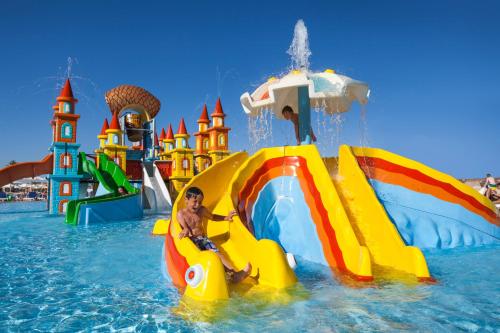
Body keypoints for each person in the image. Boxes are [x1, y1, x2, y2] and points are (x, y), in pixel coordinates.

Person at [177, 186, 252, 283]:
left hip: (203, 239)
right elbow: (184, 227)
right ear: (186, 200)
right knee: (207, 259)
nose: (197, 205)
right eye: (194, 202)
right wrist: (185, 230)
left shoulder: (202, 210)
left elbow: (212, 217)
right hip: (192, 242)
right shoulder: (181, 214)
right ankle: (221, 276)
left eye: (200, 202)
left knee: (218, 254)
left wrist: (226, 218)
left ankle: (235, 275)